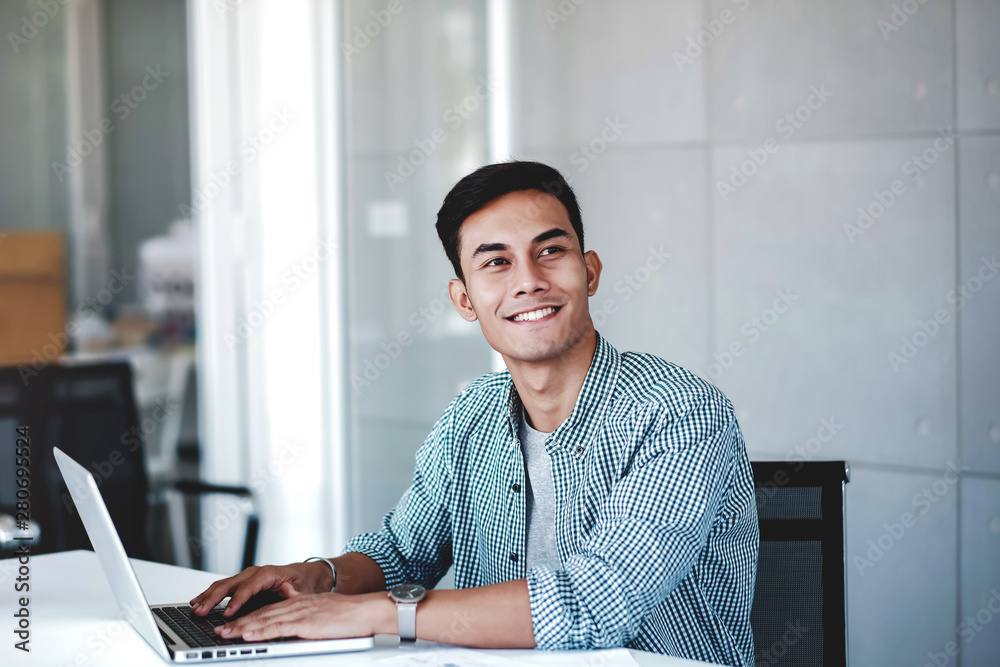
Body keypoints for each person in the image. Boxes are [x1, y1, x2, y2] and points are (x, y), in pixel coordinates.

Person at [190, 161, 758, 666]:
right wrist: (321, 578)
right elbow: (400, 552)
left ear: (590, 271)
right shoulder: (474, 413)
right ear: (465, 300)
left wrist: (372, 614)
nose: (529, 281)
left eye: (550, 251)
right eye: (496, 263)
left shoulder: (682, 412)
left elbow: (593, 605)